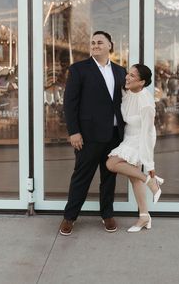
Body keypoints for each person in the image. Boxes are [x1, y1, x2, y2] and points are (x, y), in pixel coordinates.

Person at [59, 31, 126, 236]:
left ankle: (107, 215)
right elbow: (70, 103)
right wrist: (74, 132)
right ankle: (69, 217)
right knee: (81, 177)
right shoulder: (79, 69)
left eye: (100, 42)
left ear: (109, 46)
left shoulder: (120, 71)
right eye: (93, 42)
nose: (95, 45)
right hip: (87, 136)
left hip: (114, 135)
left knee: (109, 178)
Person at [106, 64, 164, 233]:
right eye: (128, 74)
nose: (127, 78)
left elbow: (147, 134)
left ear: (142, 82)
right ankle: (144, 216)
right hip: (129, 137)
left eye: (132, 76)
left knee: (111, 164)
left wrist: (150, 164)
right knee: (134, 178)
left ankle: (150, 181)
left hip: (141, 139)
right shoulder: (127, 92)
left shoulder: (147, 104)